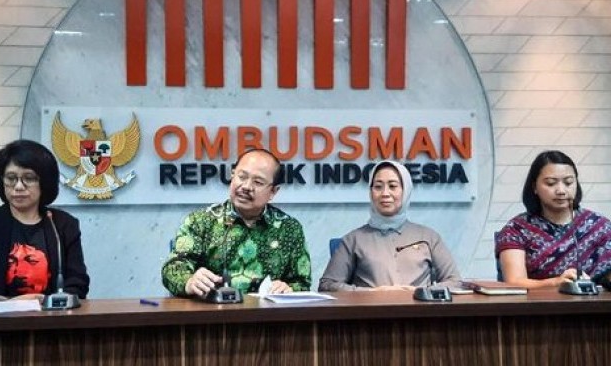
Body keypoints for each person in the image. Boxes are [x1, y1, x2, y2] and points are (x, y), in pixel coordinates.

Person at [162, 148, 311, 298]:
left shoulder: (289, 228)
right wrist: (189, 281)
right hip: (211, 310)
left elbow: (302, 282)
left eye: (258, 182)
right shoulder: (200, 221)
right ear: (232, 176)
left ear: (273, 192)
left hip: (266, 311)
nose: (246, 187)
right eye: (242, 177)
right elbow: (173, 268)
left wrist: (288, 289)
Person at [0, 139, 90, 302]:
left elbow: (78, 284)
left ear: (44, 182)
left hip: (49, 316)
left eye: (29, 178)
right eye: (11, 178)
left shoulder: (62, 225)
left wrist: (42, 300)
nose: (18, 186)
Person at [319, 160, 460, 291]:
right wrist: (371, 293)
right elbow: (327, 285)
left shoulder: (428, 237)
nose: (385, 193)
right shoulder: (353, 240)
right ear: (370, 192)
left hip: (419, 308)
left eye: (393, 186)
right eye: (378, 187)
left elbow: (455, 282)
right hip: (371, 308)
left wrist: (422, 292)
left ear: (406, 191)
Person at [495, 150, 611, 289]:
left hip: (595, 302)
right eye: (551, 183)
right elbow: (514, 282)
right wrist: (555, 283)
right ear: (534, 187)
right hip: (538, 302)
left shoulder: (600, 227)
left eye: (568, 183)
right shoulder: (516, 230)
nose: (561, 190)